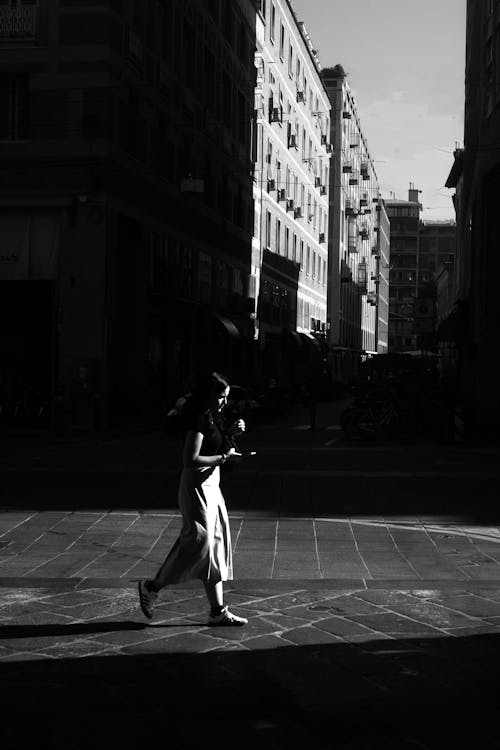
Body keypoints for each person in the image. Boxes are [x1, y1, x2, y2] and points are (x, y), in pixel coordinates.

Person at [138, 371, 248, 626]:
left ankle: (217, 611)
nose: (224, 402)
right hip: (197, 485)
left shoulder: (213, 417)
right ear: (208, 395)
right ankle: (152, 587)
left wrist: (232, 434)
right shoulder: (199, 419)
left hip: (211, 483)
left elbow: (217, 446)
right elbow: (190, 459)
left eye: (226, 397)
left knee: (214, 542)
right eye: (221, 397)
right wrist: (223, 459)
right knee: (198, 541)